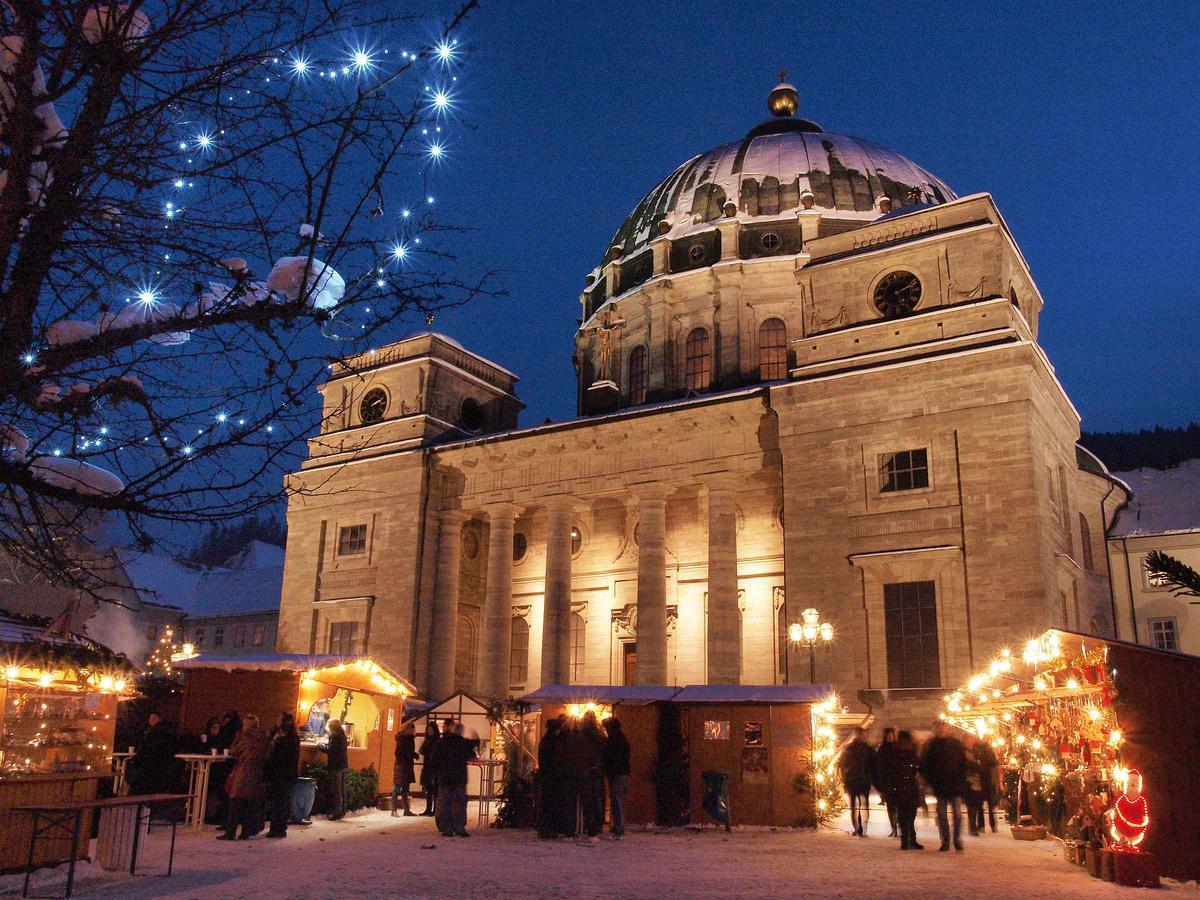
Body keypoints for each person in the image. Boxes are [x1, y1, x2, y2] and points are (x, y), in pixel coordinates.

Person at [219, 713, 269, 840]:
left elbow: (234, 751)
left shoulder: (246, 737)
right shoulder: (263, 738)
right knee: (248, 803)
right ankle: (245, 831)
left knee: (235, 801)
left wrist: (236, 740)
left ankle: (230, 831)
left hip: (244, 771)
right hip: (256, 773)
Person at [921, 720, 968, 852]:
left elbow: (963, 764)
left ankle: (957, 839)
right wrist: (931, 780)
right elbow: (926, 765)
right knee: (941, 815)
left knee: (957, 815)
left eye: (943, 728)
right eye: (939, 728)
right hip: (940, 786)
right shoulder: (932, 746)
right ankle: (945, 841)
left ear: (948, 729)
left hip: (955, 785)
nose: (941, 730)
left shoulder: (956, 745)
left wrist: (961, 781)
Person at [432, 721, 476, 837]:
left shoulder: (442, 742)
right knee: (460, 803)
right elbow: (472, 755)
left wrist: (436, 773)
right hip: (459, 778)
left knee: (446, 803)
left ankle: (447, 828)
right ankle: (459, 827)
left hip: (445, 777)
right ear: (461, 731)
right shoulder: (463, 742)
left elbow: (435, 758)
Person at [263, 712, 300, 838]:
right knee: (280, 801)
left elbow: (282, 757)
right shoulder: (290, 737)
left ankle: (278, 828)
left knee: (279, 802)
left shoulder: (287, 739)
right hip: (283, 774)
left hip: (281, 774)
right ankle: (278, 827)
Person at [126, 711, 180, 796]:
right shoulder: (171, 732)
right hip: (163, 771)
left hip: (148, 770)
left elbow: (144, 751)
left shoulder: (152, 733)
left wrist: (135, 761)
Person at [838, 727, 875, 837]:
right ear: (858, 735)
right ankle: (858, 827)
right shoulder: (851, 748)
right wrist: (846, 777)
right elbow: (843, 764)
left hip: (862, 780)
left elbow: (873, 765)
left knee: (863, 805)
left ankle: (862, 828)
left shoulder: (867, 749)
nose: (865, 736)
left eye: (865, 734)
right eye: (863, 735)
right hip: (854, 781)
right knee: (855, 805)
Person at [892, 731, 924, 851]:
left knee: (909, 815)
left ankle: (909, 839)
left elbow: (921, 768)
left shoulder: (912, 755)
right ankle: (906, 839)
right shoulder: (897, 755)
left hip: (910, 788)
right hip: (901, 788)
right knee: (903, 815)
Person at [536, 717, 566, 839]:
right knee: (552, 803)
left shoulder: (544, 740)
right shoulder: (554, 741)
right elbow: (557, 759)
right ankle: (550, 830)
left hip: (545, 776)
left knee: (545, 803)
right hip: (553, 777)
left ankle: (544, 830)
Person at [601, 717, 630, 840]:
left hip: (617, 773)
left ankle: (619, 828)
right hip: (622, 772)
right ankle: (618, 825)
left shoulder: (614, 740)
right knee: (618, 800)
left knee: (616, 800)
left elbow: (611, 756)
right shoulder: (621, 739)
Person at [873, 727, 901, 838]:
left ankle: (898, 827)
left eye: (892, 735)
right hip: (887, 782)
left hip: (897, 781)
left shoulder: (898, 748)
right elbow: (878, 766)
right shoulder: (882, 749)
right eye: (888, 735)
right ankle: (893, 828)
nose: (890, 737)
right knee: (890, 806)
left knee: (898, 807)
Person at [321, 718, 349, 820]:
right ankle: (342, 810)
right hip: (342, 764)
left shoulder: (335, 735)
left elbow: (331, 750)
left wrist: (320, 746)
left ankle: (337, 812)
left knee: (337, 789)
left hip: (336, 765)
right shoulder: (342, 734)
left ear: (332, 726)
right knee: (341, 788)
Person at [392, 722, 418, 816]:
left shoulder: (408, 739)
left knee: (405, 788)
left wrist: (413, 755)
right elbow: (399, 752)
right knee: (398, 787)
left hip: (406, 765)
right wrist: (406, 759)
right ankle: (394, 810)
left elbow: (408, 752)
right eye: (412, 729)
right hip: (402, 765)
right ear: (408, 729)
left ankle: (406, 810)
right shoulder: (403, 739)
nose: (413, 731)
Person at [962, 733, 983, 836]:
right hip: (969, 782)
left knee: (976, 804)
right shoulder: (963, 752)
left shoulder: (976, 751)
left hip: (977, 781)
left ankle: (975, 826)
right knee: (971, 805)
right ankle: (972, 827)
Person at [419, 721, 441, 817]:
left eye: (431, 730)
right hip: (427, 766)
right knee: (429, 789)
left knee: (434, 790)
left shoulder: (437, 741)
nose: (429, 731)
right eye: (428, 730)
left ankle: (435, 809)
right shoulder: (427, 740)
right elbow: (422, 751)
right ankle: (428, 809)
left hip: (433, 767)